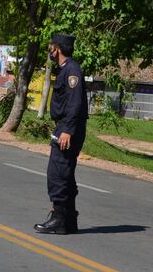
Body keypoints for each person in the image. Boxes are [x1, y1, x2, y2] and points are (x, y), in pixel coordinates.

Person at [34, 33, 89, 235]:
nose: (49, 50)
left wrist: (67, 130)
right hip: (66, 126)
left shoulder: (72, 70)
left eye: (51, 47)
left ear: (56, 49)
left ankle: (58, 218)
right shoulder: (65, 69)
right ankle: (69, 221)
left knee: (58, 172)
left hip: (68, 127)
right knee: (66, 174)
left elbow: (75, 103)